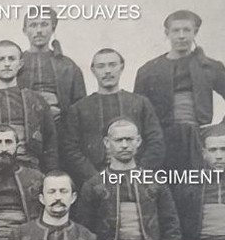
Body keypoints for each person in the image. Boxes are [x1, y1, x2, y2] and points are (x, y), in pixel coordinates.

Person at [133, 9, 225, 176]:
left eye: (187, 30)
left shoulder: (209, 67)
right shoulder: (149, 70)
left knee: (197, 190)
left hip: (197, 141)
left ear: (195, 32)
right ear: (167, 33)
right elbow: (138, 112)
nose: (181, 36)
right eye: (176, 31)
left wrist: (223, 129)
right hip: (162, 142)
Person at [60, 48, 165, 185]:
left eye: (112, 65)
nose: (107, 71)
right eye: (101, 66)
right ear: (93, 70)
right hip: (95, 180)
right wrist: (95, 178)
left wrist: (139, 172)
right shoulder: (79, 108)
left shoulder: (140, 103)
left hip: (136, 178)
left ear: (121, 67)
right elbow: (70, 149)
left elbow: (156, 141)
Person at [0, 40, 59, 173]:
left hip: (30, 169)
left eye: (11, 59)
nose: (7, 64)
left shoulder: (36, 100)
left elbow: (50, 143)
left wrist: (51, 175)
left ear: (20, 64)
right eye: (1, 59)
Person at [18, 7, 86, 125]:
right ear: (25, 30)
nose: (39, 30)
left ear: (53, 29)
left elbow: (80, 106)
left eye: (44, 24)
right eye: (33, 25)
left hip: (61, 130)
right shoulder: (16, 64)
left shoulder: (68, 66)